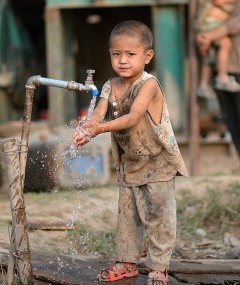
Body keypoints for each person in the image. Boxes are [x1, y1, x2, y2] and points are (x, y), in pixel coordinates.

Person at [73, 20, 188, 285]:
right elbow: (98, 113)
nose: (122, 60)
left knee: (159, 215)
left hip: (158, 161)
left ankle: (159, 267)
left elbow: (133, 117)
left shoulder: (149, 85)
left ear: (147, 56)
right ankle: (126, 263)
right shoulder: (110, 85)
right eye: (116, 54)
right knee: (127, 215)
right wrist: (86, 128)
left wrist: (98, 129)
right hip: (130, 162)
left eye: (130, 54)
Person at [197, 0, 240, 169]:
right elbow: (199, 21)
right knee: (230, 118)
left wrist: (208, 36)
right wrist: (201, 36)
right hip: (219, 69)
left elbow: (239, 23)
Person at [196, 0, 240, 98]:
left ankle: (203, 84)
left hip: (214, 23)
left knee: (209, 54)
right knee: (226, 43)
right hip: (213, 23)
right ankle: (222, 76)